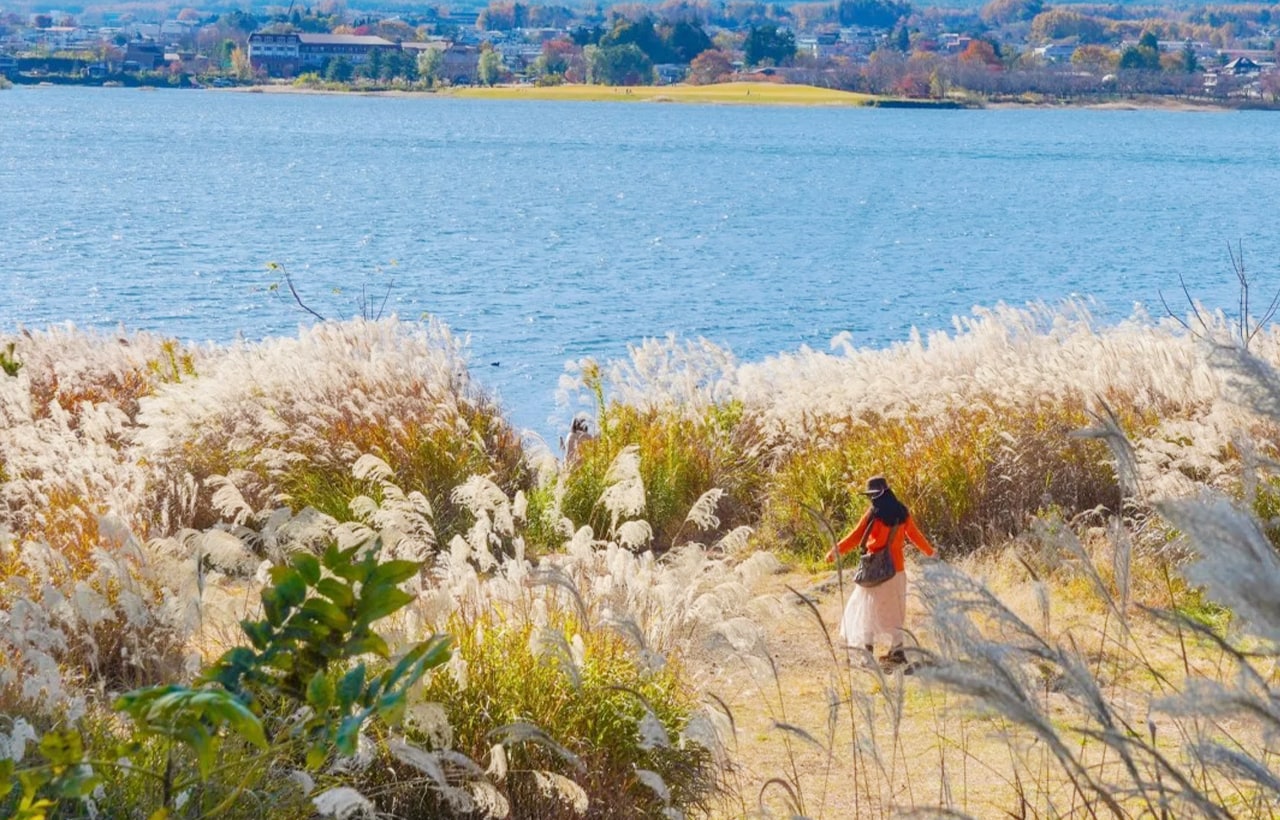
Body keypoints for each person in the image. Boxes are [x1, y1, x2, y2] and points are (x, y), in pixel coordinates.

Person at [826, 475, 935, 670]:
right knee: (896, 612)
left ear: (875, 496)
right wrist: (930, 552)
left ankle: (868, 656)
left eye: (871, 496)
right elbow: (915, 535)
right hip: (897, 571)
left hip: (874, 570)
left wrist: (835, 551)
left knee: (867, 611)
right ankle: (897, 652)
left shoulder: (873, 514)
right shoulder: (902, 512)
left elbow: (855, 537)